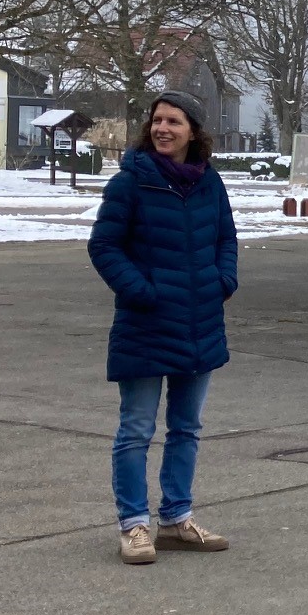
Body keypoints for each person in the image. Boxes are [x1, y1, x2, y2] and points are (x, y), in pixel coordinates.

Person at [87, 92, 238, 565]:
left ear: (194, 130)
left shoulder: (209, 182)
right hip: (146, 323)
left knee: (186, 427)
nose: (162, 129)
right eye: (156, 120)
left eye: (173, 121)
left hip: (200, 321)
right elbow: (104, 247)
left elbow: (225, 238)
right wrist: (143, 291)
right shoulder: (130, 182)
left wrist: (223, 281)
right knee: (135, 429)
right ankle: (134, 525)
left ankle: (176, 519)